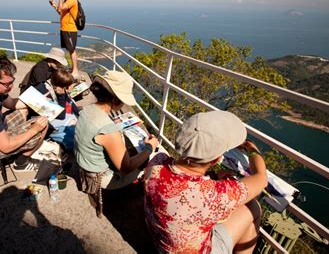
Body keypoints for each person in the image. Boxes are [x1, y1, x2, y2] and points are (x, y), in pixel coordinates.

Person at [144, 111, 268, 253]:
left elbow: (185, 181)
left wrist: (214, 175)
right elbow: (261, 178)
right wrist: (251, 147)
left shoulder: (157, 163)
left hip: (162, 244)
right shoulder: (212, 195)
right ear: (216, 160)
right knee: (253, 207)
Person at [74, 70, 159, 215]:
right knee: (150, 160)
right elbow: (125, 167)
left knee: (132, 152)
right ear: (115, 100)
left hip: (85, 166)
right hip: (102, 178)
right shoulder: (108, 129)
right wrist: (150, 148)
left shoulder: (87, 110)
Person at [35, 67, 79, 151]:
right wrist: (61, 96)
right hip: (48, 122)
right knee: (72, 137)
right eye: (65, 86)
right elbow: (61, 115)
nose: (66, 88)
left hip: (57, 117)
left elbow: (70, 102)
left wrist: (79, 115)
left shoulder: (57, 87)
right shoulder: (43, 91)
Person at [49, 0, 79, 78]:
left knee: (72, 50)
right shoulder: (66, 0)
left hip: (70, 29)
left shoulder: (71, 0)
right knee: (69, 49)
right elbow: (60, 12)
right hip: (65, 28)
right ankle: (72, 68)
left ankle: (75, 71)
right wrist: (54, 5)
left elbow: (60, 9)